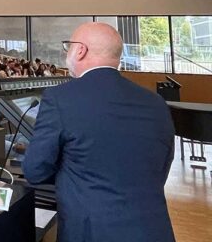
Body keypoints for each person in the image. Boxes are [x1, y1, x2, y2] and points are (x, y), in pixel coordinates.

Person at [23, 22, 175, 242]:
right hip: (153, 230)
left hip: (91, 232)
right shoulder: (155, 102)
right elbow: (162, 165)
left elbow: (35, 171)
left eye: (69, 46)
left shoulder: (60, 98)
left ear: (80, 50)